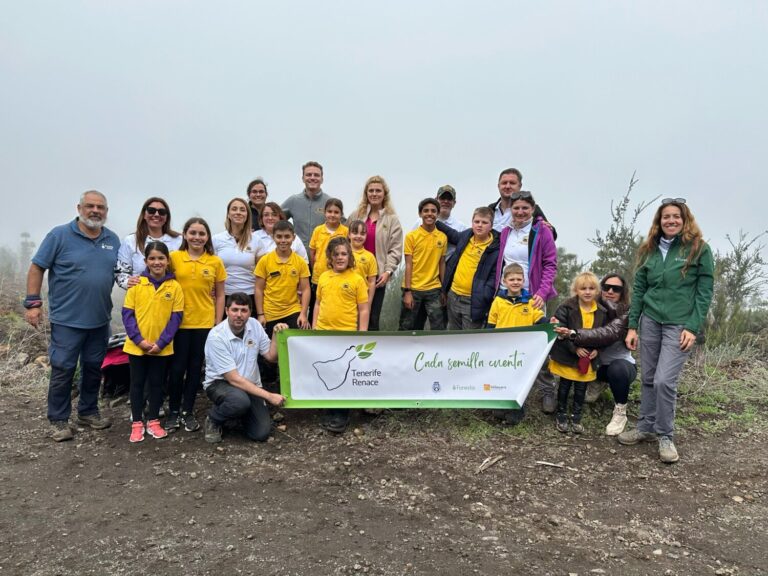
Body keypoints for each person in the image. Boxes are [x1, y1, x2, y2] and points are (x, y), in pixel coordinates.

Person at [619, 199, 714, 463]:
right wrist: (633, 326)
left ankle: (665, 435)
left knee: (664, 380)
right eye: (665, 217)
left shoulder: (699, 249)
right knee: (648, 377)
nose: (671, 221)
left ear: (685, 220)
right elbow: (639, 290)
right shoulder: (648, 249)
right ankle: (646, 427)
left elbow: (704, 293)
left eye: (676, 217)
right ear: (658, 222)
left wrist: (693, 327)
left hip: (679, 324)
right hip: (650, 321)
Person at [24, 190, 119, 442]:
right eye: (90, 206)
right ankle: (58, 419)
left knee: (93, 368)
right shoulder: (59, 235)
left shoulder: (113, 240)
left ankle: (87, 411)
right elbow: (37, 267)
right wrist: (33, 303)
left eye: (101, 207)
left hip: (100, 320)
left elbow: (123, 273)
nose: (95, 211)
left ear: (106, 212)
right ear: (79, 208)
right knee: (63, 368)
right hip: (66, 320)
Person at [494, 191, 558, 412]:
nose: (520, 212)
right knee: (506, 344)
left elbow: (550, 264)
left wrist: (542, 291)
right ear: (511, 209)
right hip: (506, 294)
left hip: (533, 295)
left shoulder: (542, 231)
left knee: (539, 345)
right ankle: (507, 389)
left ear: (533, 209)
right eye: (516, 208)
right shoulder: (505, 232)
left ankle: (547, 391)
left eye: (525, 208)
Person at [556, 274, 637, 436]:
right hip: (593, 365)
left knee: (617, 368)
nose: (610, 291)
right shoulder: (587, 304)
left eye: (617, 288)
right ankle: (596, 384)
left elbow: (606, 334)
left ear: (623, 292)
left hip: (619, 365)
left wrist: (572, 334)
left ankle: (620, 411)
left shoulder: (627, 312)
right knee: (570, 384)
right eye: (606, 287)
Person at [167, 218, 227, 433]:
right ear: (184, 234)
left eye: (202, 234)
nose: (197, 237)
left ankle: (187, 411)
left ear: (207, 237)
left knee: (194, 370)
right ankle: (173, 411)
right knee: (176, 369)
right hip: (178, 323)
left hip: (204, 323)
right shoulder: (174, 258)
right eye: (193, 233)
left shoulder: (214, 262)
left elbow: (220, 294)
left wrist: (218, 322)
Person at [202, 293, 288, 444]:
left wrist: (276, 334)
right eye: (235, 310)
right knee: (239, 401)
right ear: (227, 310)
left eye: (244, 310)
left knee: (261, 433)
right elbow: (233, 379)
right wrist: (269, 396)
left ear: (250, 312)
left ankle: (236, 415)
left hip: (249, 385)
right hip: (220, 384)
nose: (239, 315)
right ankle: (213, 420)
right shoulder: (217, 336)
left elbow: (271, 357)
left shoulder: (254, 325)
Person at [121, 241, 184, 443]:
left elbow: (176, 317)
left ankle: (154, 420)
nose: (157, 262)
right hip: (136, 347)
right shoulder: (137, 284)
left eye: (161, 258)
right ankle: (137, 423)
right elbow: (127, 315)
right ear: (146, 261)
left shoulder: (174, 287)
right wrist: (139, 340)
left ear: (167, 261)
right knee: (137, 384)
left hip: (161, 348)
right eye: (152, 258)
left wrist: (162, 342)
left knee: (157, 384)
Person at [313, 237, 370, 433]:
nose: (340, 257)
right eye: (336, 254)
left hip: (345, 335)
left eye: (344, 254)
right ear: (330, 257)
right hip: (323, 333)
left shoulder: (356, 279)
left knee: (341, 375)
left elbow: (363, 309)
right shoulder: (323, 277)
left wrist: (362, 334)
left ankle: (341, 415)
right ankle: (330, 410)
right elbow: (318, 304)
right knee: (327, 374)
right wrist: (314, 330)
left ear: (350, 256)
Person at [550, 272, 609, 434]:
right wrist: (574, 348)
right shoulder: (566, 308)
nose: (587, 292)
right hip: (569, 356)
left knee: (581, 388)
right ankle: (561, 414)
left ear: (597, 291)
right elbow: (559, 332)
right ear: (576, 290)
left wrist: (598, 350)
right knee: (564, 386)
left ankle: (576, 417)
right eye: (583, 288)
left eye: (591, 288)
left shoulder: (602, 312)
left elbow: (605, 335)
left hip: (588, 360)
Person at [487, 263, 547, 425]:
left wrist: (551, 322)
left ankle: (516, 410)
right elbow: (491, 324)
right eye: (511, 279)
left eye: (519, 279)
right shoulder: (498, 301)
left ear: (524, 281)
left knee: (519, 380)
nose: (515, 282)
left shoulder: (530, 301)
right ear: (504, 281)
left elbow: (540, 319)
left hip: (522, 351)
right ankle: (500, 406)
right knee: (501, 377)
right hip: (501, 349)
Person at [348, 175, 403, 331]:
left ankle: (370, 352)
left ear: (384, 194)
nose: (374, 194)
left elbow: (396, 248)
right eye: (370, 190)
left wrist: (388, 271)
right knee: (351, 316)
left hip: (377, 276)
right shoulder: (355, 216)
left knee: (372, 317)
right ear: (366, 194)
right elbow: (345, 240)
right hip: (353, 273)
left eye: (378, 191)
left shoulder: (392, 220)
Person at [438, 207, 500, 330]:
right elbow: (452, 234)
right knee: (453, 336)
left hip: (473, 301)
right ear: (472, 223)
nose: (480, 225)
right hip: (453, 295)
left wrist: (484, 296)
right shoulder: (466, 235)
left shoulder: (495, 248)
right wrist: (435, 220)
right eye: (476, 222)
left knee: (469, 339)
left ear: (491, 226)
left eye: (484, 222)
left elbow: (494, 276)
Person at [254, 220, 311, 331]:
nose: (283, 240)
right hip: (270, 313)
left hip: (293, 311)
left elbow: (306, 290)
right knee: (273, 347)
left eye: (287, 237)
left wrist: (303, 314)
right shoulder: (265, 261)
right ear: (273, 237)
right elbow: (258, 289)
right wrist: (260, 314)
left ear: (293, 238)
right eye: (279, 237)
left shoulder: (300, 262)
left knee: (293, 347)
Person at [400, 198, 447, 331]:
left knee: (439, 328)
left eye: (433, 211)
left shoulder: (442, 237)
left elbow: (442, 264)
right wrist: (408, 291)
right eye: (426, 211)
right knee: (406, 327)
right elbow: (408, 264)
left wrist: (444, 290)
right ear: (420, 214)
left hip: (434, 289)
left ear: (437, 214)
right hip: (413, 288)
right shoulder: (411, 236)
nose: (429, 214)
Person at [116, 197, 181, 290]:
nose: (156, 214)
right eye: (151, 210)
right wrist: (127, 282)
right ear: (144, 215)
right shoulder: (130, 241)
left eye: (162, 212)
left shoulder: (179, 240)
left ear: (167, 217)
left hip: (172, 298)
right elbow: (120, 273)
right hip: (140, 298)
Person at [212, 197, 261, 315]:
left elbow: (261, 273)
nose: (238, 212)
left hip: (250, 296)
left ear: (247, 215)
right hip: (224, 296)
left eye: (242, 210)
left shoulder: (256, 240)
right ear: (228, 214)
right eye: (234, 209)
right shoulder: (216, 239)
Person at [281, 161, 331, 252]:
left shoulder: (330, 202)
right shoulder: (293, 201)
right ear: (303, 178)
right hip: (298, 258)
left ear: (322, 179)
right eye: (308, 175)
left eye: (316, 175)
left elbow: (344, 226)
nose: (312, 178)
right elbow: (274, 220)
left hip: (322, 258)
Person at [309, 198, 349, 310]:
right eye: (330, 211)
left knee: (334, 305)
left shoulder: (345, 231)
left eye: (336, 212)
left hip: (338, 276)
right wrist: (315, 268)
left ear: (341, 214)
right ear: (325, 213)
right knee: (316, 306)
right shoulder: (318, 230)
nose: (332, 215)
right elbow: (312, 252)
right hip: (319, 276)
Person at [489, 168, 554, 236]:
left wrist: (549, 229)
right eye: (504, 183)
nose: (507, 186)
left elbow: (550, 235)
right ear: (498, 186)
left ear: (520, 186)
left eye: (512, 183)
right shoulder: (490, 209)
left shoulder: (531, 209)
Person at [347, 219, 378, 310]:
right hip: (343, 296)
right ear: (349, 234)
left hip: (361, 299)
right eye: (355, 233)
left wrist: (369, 302)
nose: (358, 236)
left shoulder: (370, 257)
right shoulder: (342, 253)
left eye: (362, 234)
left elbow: (372, 282)